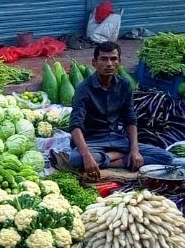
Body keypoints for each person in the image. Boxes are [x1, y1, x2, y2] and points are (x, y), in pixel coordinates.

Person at [60, 41, 172, 181]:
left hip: (117, 139)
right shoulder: (83, 88)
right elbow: (75, 125)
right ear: (94, 63)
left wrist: (134, 150)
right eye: (104, 59)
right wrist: (87, 156)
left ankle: (109, 158)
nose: (109, 64)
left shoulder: (124, 85)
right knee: (73, 160)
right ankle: (115, 156)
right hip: (92, 141)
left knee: (166, 158)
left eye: (113, 59)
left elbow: (130, 119)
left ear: (119, 62)